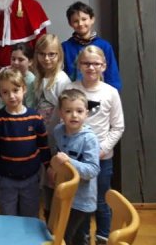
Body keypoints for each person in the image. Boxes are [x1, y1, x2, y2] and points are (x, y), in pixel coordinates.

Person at [68, 45, 125, 245]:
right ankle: (82, 238)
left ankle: (103, 238)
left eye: (95, 63)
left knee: (101, 200)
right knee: (80, 202)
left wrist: (102, 150)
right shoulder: (70, 90)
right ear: (79, 65)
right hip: (76, 159)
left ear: (104, 66)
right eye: (86, 63)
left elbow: (118, 126)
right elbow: (63, 123)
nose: (91, 67)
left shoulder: (111, 93)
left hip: (102, 159)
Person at [0, 68, 50, 217]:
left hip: (31, 179)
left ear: (24, 89)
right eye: (5, 92)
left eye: (15, 90)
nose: (11, 96)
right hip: (6, 180)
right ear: (0, 94)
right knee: (8, 218)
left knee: (30, 217)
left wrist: (49, 167)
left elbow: (43, 146)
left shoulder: (35, 118)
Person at [52, 88, 100, 245]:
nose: (74, 115)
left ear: (86, 113)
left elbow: (92, 170)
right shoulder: (58, 131)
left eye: (79, 111)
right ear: (61, 113)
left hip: (82, 200)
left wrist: (69, 162)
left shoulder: (89, 139)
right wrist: (53, 168)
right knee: (76, 236)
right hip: (64, 195)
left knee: (65, 235)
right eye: (68, 111)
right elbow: (57, 153)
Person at [33, 33, 72, 215]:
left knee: (54, 181)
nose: (47, 59)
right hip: (41, 139)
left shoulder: (62, 80)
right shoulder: (37, 78)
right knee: (45, 182)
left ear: (59, 55)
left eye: (51, 54)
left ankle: (56, 222)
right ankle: (48, 216)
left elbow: (66, 115)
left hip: (56, 142)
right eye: (42, 54)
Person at [61, 1, 122, 92]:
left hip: (100, 95)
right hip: (74, 96)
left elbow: (112, 77)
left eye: (84, 19)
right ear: (70, 23)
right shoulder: (65, 47)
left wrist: (111, 94)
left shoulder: (105, 46)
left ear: (92, 19)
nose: (80, 23)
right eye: (75, 21)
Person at [0, 42, 36, 109]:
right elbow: (2, 101)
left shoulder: (31, 80)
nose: (15, 62)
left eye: (20, 60)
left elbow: (31, 105)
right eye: (13, 59)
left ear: (30, 62)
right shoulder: (5, 75)